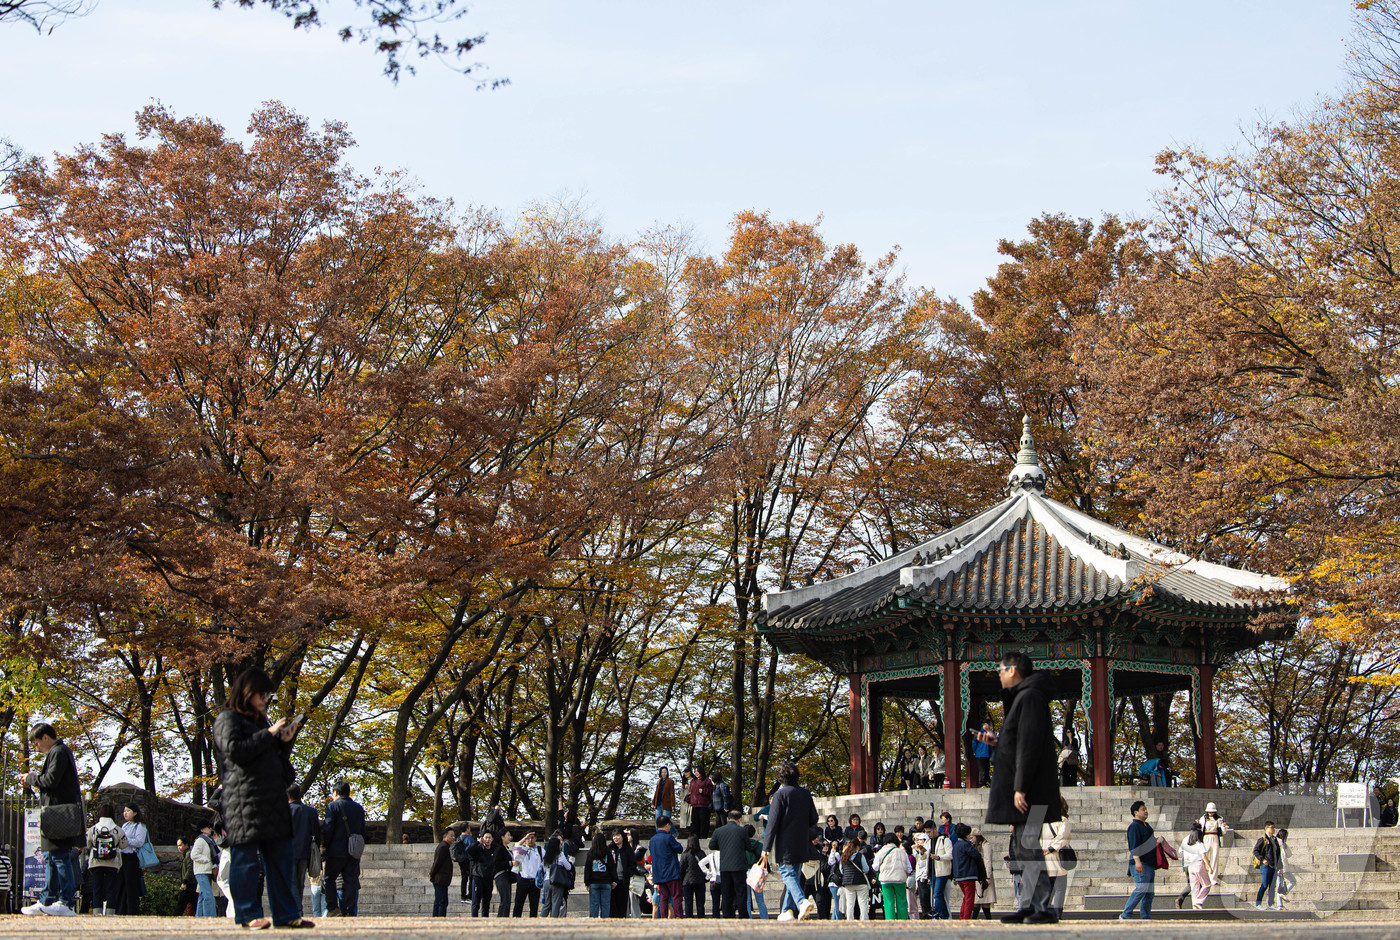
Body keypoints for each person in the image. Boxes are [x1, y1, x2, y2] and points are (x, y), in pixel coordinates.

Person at [212, 668, 308, 929]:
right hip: (243, 801)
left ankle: (287, 914)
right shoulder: (227, 719)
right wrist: (268, 734)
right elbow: (235, 752)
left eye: (268, 695)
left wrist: (284, 741)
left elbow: (272, 760)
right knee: (244, 859)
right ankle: (246, 914)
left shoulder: (260, 722)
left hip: (272, 801)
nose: (266, 699)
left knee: (280, 859)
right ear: (247, 692)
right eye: (262, 694)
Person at [985, 650, 1061, 925]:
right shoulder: (1025, 698)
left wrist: (1020, 787)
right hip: (1029, 787)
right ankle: (1029, 904)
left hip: (1032, 789)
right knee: (1023, 846)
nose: (999, 675)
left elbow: (1030, 745)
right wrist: (998, 741)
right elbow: (1021, 740)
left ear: (1013, 670)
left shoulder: (1030, 697)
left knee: (1028, 845)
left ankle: (1042, 906)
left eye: (1001, 670)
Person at [18, 723, 83, 917]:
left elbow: (50, 780)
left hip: (58, 815)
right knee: (49, 857)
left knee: (59, 857)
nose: (37, 748)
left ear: (45, 737)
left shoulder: (59, 752)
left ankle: (66, 902)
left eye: (37, 743)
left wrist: (31, 778)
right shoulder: (57, 752)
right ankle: (46, 901)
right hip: (54, 814)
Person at [759, 758, 819, 919]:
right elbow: (814, 818)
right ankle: (787, 911)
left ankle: (801, 902)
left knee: (787, 874)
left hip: (785, 843)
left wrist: (765, 848)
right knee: (794, 875)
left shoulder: (780, 794)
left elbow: (772, 823)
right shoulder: (806, 794)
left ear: (780, 777)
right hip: (801, 842)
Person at [321, 780, 365, 917]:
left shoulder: (332, 806)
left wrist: (324, 845)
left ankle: (333, 908)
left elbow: (328, 828)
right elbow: (362, 830)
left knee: (329, 879)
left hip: (336, 850)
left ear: (336, 792)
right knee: (351, 880)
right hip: (353, 851)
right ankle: (349, 911)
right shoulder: (358, 808)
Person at [1121, 799, 1161, 921]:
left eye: (1145, 809)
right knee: (1141, 888)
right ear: (1136, 812)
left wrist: (1157, 841)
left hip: (1150, 863)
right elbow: (1134, 846)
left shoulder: (1147, 826)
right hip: (1141, 863)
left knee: (1149, 893)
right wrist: (1137, 861)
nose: (1146, 811)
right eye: (1143, 809)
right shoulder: (1134, 827)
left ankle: (1145, 917)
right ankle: (1126, 914)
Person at [85, 803, 128, 916]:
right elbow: (124, 844)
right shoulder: (117, 830)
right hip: (112, 863)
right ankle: (110, 911)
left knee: (97, 888)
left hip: (96, 863)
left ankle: (96, 911)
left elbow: (88, 844)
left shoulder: (94, 829)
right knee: (111, 889)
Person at [708, 810, 750, 918]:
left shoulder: (719, 831)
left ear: (727, 819)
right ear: (739, 820)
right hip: (739, 866)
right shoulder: (742, 831)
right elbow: (748, 846)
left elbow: (712, 846)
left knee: (726, 894)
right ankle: (742, 915)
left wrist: (723, 846)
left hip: (725, 866)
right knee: (741, 893)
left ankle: (727, 915)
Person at [287, 784, 319, 918]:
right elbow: (317, 833)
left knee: (292, 882)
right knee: (300, 882)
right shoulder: (310, 811)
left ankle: (297, 909)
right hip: (305, 852)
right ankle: (297, 908)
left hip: (288, 851)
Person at [1041, 795, 1071, 921]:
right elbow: (1062, 837)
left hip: (1042, 858)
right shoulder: (1063, 820)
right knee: (1059, 888)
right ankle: (1058, 913)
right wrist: (1052, 848)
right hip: (1057, 857)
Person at [466, 829, 508, 916]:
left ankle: (485, 920)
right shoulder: (478, 848)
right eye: (486, 838)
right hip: (478, 877)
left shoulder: (494, 849)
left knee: (486, 903)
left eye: (489, 838)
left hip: (489, 879)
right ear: (482, 838)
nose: (488, 840)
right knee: (476, 902)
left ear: (492, 839)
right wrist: (478, 842)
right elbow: (468, 850)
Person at [116, 803, 148, 916]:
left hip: (132, 857)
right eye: (124, 811)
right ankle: (120, 910)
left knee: (131, 886)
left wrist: (125, 840)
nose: (125, 813)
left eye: (128, 811)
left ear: (135, 813)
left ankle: (132, 911)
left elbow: (139, 842)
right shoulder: (124, 826)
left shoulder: (140, 826)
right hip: (122, 857)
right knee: (121, 884)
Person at [649, 816, 684, 918]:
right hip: (671, 872)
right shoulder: (669, 838)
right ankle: (678, 917)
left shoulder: (652, 840)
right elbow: (679, 849)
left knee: (663, 897)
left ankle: (663, 918)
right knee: (676, 896)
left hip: (659, 874)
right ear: (667, 825)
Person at [951, 822, 987, 920]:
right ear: (965, 835)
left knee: (966, 897)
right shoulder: (965, 845)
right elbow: (977, 855)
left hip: (958, 876)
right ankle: (966, 918)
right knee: (970, 898)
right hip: (967, 875)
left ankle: (962, 916)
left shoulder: (955, 846)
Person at [874, 832, 911, 919]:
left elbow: (875, 867)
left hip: (885, 881)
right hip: (900, 880)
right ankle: (903, 922)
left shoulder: (880, 852)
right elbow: (909, 868)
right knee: (902, 902)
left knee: (888, 903)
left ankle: (890, 922)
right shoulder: (902, 852)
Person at [837, 837, 872, 920]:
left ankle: (849, 920)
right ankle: (864, 919)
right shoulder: (860, 856)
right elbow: (866, 869)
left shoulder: (844, 856)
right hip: (860, 882)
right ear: (857, 847)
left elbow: (841, 870)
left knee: (850, 904)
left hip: (848, 883)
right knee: (862, 903)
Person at [511, 830, 544, 917]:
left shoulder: (540, 850)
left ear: (535, 839)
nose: (530, 840)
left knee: (534, 906)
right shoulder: (523, 850)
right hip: (523, 880)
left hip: (535, 881)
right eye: (528, 838)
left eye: (532, 838)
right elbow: (516, 847)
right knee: (518, 904)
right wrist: (524, 838)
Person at [1178, 823, 1210, 910]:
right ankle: (1198, 902)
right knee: (1206, 884)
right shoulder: (1199, 843)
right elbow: (1204, 856)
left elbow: (1180, 851)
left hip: (1188, 865)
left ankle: (1195, 907)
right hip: (1198, 864)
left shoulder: (1186, 839)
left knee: (1194, 887)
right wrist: (1209, 867)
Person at [539, 833, 572, 918]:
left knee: (547, 904)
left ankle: (541, 920)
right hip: (557, 881)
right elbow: (568, 867)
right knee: (556, 904)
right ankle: (553, 922)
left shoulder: (546, 856)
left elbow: (543, 868)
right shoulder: (560, 855)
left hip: (546, 881)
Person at [584, 830, 615, 918]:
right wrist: (614, 880)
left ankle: (593, 921)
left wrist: (587, 882)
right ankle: (604, 921)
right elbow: (611, 867)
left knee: (594, 904)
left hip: (594, 882)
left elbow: (587, 869)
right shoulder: (608, 853)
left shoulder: (591, 853)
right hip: (606, 882)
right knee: (605, 904)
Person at [1253, 821, 1283, 911]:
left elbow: (1278, 854)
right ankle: (1258, 904)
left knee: (1272, 886)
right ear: (1266, 828)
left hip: (1274, 866)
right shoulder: (1263, 839)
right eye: (1271, 827)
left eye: (1273, 827)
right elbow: (1256, 851)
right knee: (1265, 885)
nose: (1273, 829)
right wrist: (1263, 859)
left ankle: (1271, 904)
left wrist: (1280, 867)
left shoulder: (1274, 840)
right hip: (1266, 866)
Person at [191, 820, 218, 918]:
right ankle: (209, 916)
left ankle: (199, 916)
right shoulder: (200, 840)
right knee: (208, 895)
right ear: (202, 829)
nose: (210, 829)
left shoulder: (209, 840)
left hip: (207, 870)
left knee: (202, 895)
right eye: (208, 827)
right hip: (201, 870)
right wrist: (206, 860)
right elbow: (194, 855)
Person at [1197, 802, 1229, 885]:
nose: (1211, 813)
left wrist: (1224, 826)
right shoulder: (1203, 818)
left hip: (1215, 838)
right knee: (1204, 857)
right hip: (1206, 838)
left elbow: (1223, 831)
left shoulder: (1219, 819)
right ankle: (1204, 877)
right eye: (1209, 812)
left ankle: (1213, 878)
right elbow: (1200, 828)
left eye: (1212, 812)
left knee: (1215, 858)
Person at [930, 811, 954, 920]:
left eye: (929, 832)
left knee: (937, 894)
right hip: (932, 871)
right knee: (938, 896)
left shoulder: (945, 839)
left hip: (942, 872)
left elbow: (950, 855)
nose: (928, 834)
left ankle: (940, 914)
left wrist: (939, 857)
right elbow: (925, 856)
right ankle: (943, 915)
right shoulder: (928, 841)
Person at [429, 827, 457, 917]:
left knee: (438, 901)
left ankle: (436, 919)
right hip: (440, 879)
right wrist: (431, 873)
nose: (453, 837)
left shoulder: (444, 847)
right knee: (442, 902)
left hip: (441, 879)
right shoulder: (443, 847)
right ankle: (440, 919)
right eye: (451, 835)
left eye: (454, 836)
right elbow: (437, 862)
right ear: (445, 836)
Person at [678, 835, 707, 917]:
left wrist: (681, 881)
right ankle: (701, 918)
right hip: (700, 881)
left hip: (687, 881)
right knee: (700, 903)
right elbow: (706, 866)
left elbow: (681, 868)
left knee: (688, 903)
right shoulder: (702, 853)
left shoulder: (685, 854)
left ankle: (689, 918)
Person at [971, 828, 996, 919]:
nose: (971, 840)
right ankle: (975, 919)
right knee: (977, 900)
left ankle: (986, 919)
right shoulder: (974, 846)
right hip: (977, 875)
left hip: (984, 875)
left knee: (984, 900)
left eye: (972, 837)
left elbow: (988, 861)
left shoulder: (986, 845)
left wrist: (988, 876)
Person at [687, 771, 715, 837]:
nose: (696, 773)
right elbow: (690, 792)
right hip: (694, 805)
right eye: (695, 771)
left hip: (704, 805)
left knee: (703, 823)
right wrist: (689, 799)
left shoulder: (707, 781)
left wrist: (703, 791)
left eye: (697, 771)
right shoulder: (693, 781)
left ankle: (703, 837)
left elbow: (711, 791)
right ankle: (694, 837)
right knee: (694, 823)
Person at [174, 838, 197, 915]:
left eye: (180, 845)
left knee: (181, 904)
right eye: (178, 846)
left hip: (189, 883)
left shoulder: (188, 854)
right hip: (190, 883)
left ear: (186, 845)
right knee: (194, 904)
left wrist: (184, 881)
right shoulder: (186, 854)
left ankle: (175, 918)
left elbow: (190, 869)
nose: (179, 847)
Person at [452, 824, 475, 903]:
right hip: (468, 859)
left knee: (464, 878)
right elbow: (472, 848)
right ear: (467, 829)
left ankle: (463, 896)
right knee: (471, 877)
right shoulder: (469, 838)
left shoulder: (459, 838)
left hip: (461, 860)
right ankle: (470, 896)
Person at [972, 720, 997, 786]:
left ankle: (985, 783)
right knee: (982, 770)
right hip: (981, 754)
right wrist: (974, 751)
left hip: (988, 754)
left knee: (987, 769)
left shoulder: (990, 733)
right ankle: (981, 784)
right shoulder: (979, 733)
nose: (988, 726)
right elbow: (974, 743)